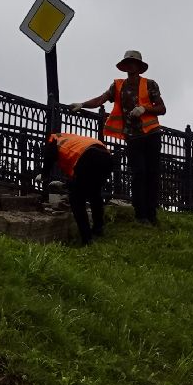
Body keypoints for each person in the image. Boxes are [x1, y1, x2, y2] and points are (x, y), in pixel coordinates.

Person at [71, 50, 167, 225]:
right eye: (128, 62)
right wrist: (83, 104)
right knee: (139, 174)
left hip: (152, 135)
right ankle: (141, 215)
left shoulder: (150, 84)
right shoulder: (118, 86)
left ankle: (152, 215)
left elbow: (161, 108)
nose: (131, 65)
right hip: (133, 137)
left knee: (152, 174)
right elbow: (101, 99)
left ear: (139, 66)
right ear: (125, 66)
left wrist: (145, 109)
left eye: (134, 62)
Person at [48, 131, 113, 243]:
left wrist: (44, 175)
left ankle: (86, 238)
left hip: (88, 156)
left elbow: (49, 159)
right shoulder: (71, 138)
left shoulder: (53, 141)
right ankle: (98, 229)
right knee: (95, 194)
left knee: (77, 199)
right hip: (107, 157)